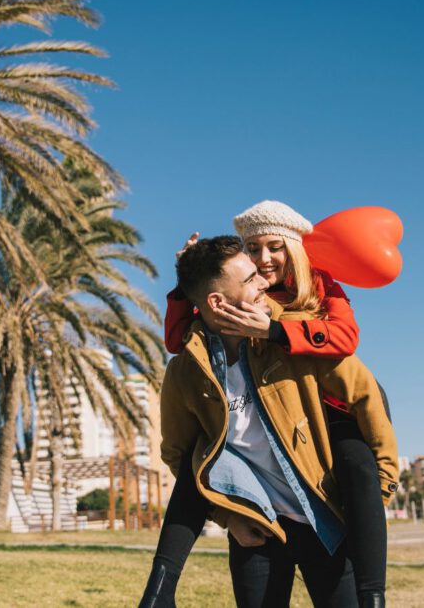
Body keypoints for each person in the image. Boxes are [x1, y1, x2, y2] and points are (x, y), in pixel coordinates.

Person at [143, 233, 398, 607]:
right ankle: (160, 592)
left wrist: (381, 488)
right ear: (217, 301)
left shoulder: (293, 335)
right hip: (258, 529)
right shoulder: (186, 373)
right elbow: (180, 457)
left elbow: (367, 397)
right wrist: (228, 517)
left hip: (323, 519)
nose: (264, 279)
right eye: (249, 279)